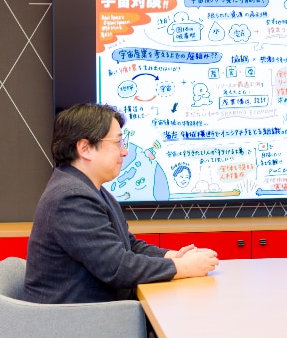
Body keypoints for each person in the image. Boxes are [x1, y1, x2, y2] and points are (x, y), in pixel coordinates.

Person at [24, 103, 219, 304]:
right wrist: (184, 267)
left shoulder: (88, 189)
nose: (124, 152)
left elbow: (128, 246)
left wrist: (173, 257)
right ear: (85, 148)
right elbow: (117, 268)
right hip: (75, 318)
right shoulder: (71, 197)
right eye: (118, 143)